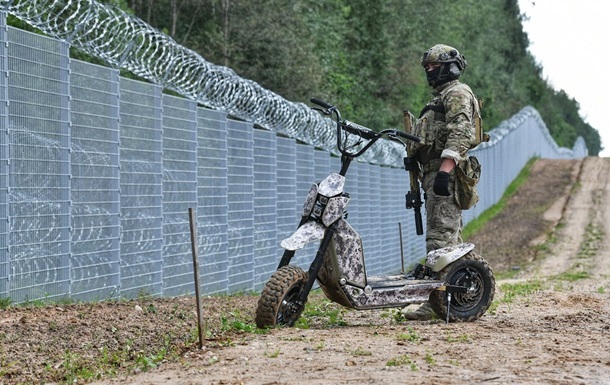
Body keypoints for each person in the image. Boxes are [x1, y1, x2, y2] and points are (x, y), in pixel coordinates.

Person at [403, 44, 481, 321]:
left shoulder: (457, 93)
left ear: (450, 67)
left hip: (443, 173)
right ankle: (452, 299)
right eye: (428, 68)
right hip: (433, 173)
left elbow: (461, 131)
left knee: (440, 239)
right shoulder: (442, 97)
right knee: (448, 238)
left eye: (435, 67)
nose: (430, 72)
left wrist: (446, 170)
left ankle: (436, 304)